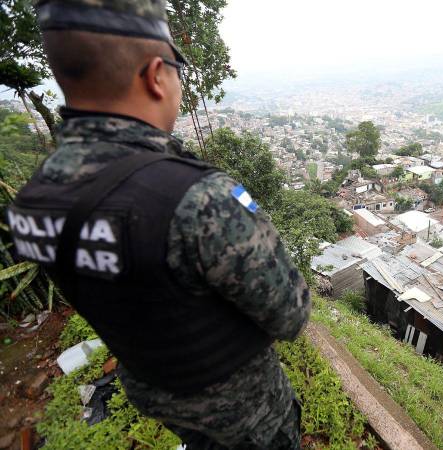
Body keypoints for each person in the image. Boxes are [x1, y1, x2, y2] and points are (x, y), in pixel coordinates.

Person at [7, 1, 311, 448]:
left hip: (152, 387)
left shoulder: (32, 202)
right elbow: (291, 314)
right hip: (245, 409)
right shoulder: (199, 199)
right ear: (155, 75)